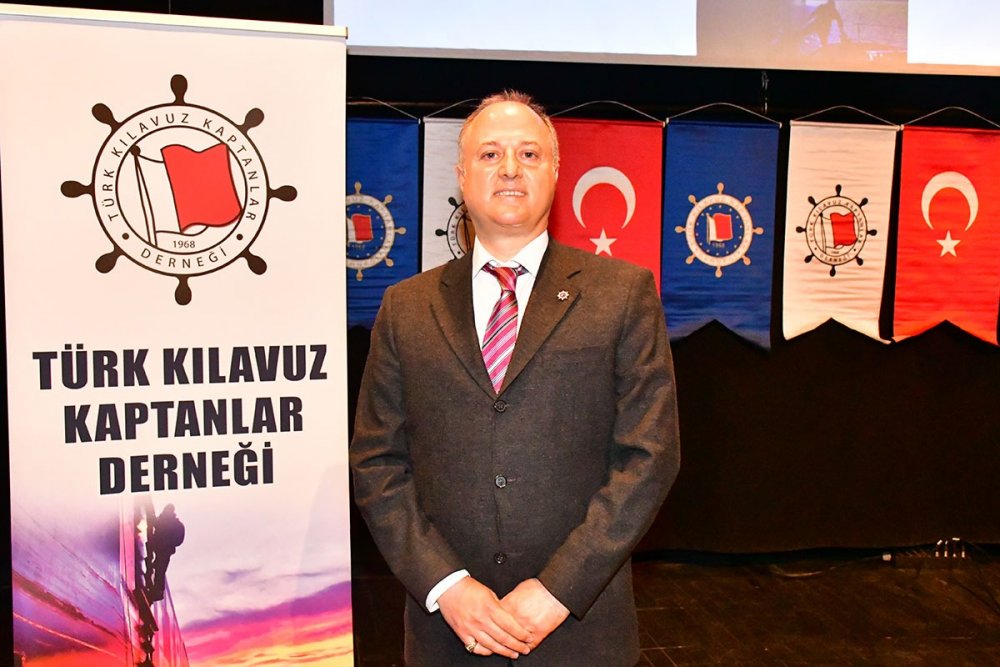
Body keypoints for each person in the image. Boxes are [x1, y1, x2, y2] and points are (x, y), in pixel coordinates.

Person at [350, 91, 680, 666]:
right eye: (490, 154)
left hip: (580, 631)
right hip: (448, 634)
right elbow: (377, 462)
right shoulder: (406, 307)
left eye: (529, 154)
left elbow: (650, 457)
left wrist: (557, 590)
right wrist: (447, 586)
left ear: (555, 171)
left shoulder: (623, 294)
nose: (509, 169)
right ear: (461, 175)